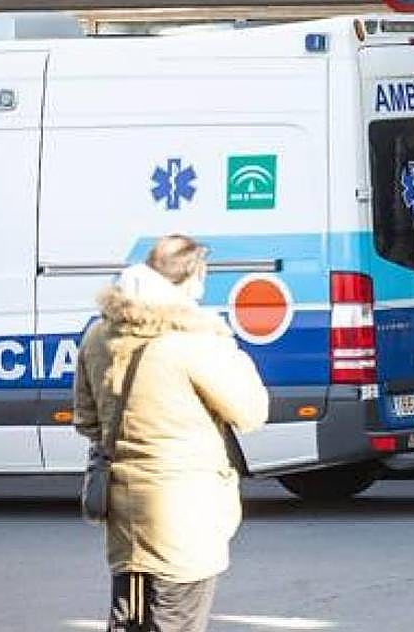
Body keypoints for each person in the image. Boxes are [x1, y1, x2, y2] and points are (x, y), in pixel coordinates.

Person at [74, 235, 269, 632]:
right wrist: (229, 347)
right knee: (176, 620)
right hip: (184, 515)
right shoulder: (193, 342)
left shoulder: (98, 336)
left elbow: (88, 421)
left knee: (130, 622)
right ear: (193, 278)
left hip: (125, 517)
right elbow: (251, 411)